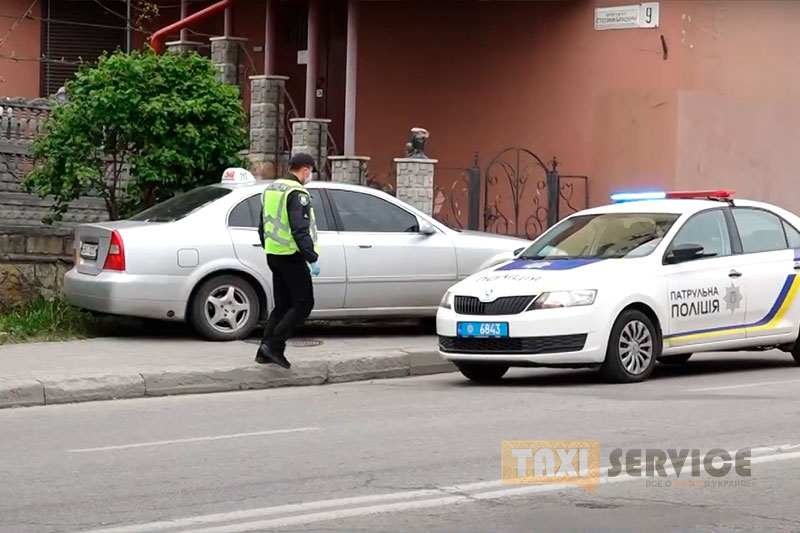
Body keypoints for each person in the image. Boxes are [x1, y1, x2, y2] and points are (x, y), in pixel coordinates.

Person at [256, 153, 320, 368]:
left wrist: (268, 247)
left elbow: (261, 224)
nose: (309, 175)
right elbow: (299, 229)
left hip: (273, 253)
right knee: (303, 303)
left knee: (283, 305)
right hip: (291, 255)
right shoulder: (297, 192)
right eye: (310, 171)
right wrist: (311, 257)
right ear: (305, 170)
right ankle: (273, 345)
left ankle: (264, 350)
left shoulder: (273, 188)